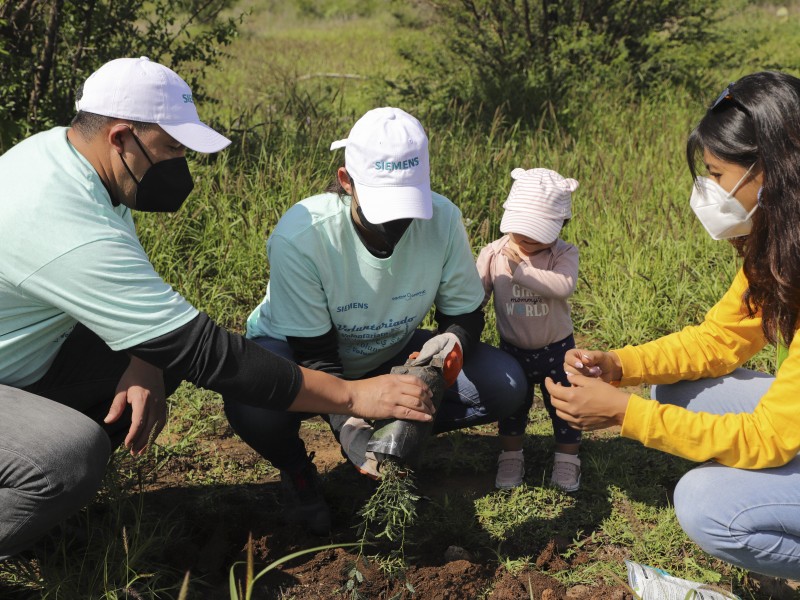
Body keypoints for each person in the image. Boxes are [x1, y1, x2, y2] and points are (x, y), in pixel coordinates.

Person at [0, 57, 436, 560]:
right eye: (170, 148)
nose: (179, 163)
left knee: (160, 360)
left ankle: (34, 508)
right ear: (120, 137)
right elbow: (208, 354)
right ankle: (31, 503)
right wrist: (352, 396)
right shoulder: (58, 213)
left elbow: (158, 322)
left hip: (28, 355)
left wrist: (145, 357)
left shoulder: (69, 159)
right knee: (68, 456)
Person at [545, 71, 800, 579]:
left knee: (707, 504)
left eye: (716, 173)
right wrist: (621, 366)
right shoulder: (782, 245)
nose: (707, 190)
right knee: (676, 390)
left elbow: (770, 436)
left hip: (784, 428)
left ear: (769, 171)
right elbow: (720, 339)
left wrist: (625, 417)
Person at [242, 106, 527, 522]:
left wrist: (446, 349)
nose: (397, 221)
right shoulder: (303, 237)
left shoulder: (442, 219)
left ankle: (399, 435)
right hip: (298, 357)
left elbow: (464, 314)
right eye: (383, 205)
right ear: (346, 181)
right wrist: (348, 420)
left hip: (387, 353)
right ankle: (297, 469)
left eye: (406, 204)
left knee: (505, 384)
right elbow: (315, 356)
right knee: (252, 403)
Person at [476, 168, 583, 491]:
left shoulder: (562, 254)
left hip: (557, 348)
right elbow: (474, 295)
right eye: (521, 229)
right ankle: (511, 455)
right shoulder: (494, 253)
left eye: (538, 231)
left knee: (565, 405)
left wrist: (520, 271)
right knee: (513, 407)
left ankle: (567, 460)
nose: (528, 238)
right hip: (512, 349)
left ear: (561, 225)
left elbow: (563, 286)